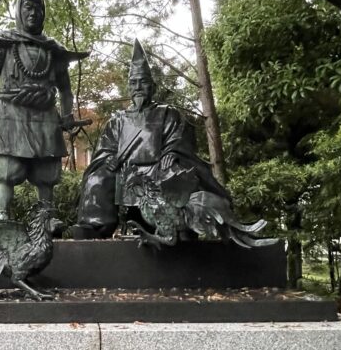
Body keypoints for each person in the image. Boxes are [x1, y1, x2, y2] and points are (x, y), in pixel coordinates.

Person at [75, 39, 229, 238]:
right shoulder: (117, 121)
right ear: (128, 88)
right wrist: (109, 160)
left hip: (158, 167)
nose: (138, 87)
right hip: (125, 171)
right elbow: (106, 149)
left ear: (152, 86)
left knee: (178, 173)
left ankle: (181, 225)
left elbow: (178, 140)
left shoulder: (168, 114)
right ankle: (96, 225)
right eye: (133, 83)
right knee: (98, 177)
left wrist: (172, 152)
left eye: (143, 82)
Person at [0, 0, 88, 220]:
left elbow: (65, 90)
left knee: (45, 171)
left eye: (39, 9)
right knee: (7, 170)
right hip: (10, 114)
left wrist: (67, 114)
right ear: (18, 11)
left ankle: (46, 217)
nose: (34, 13)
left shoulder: (52, 50)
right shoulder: (3, 42)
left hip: (44, 115)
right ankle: (3, 216)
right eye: (28, 7)